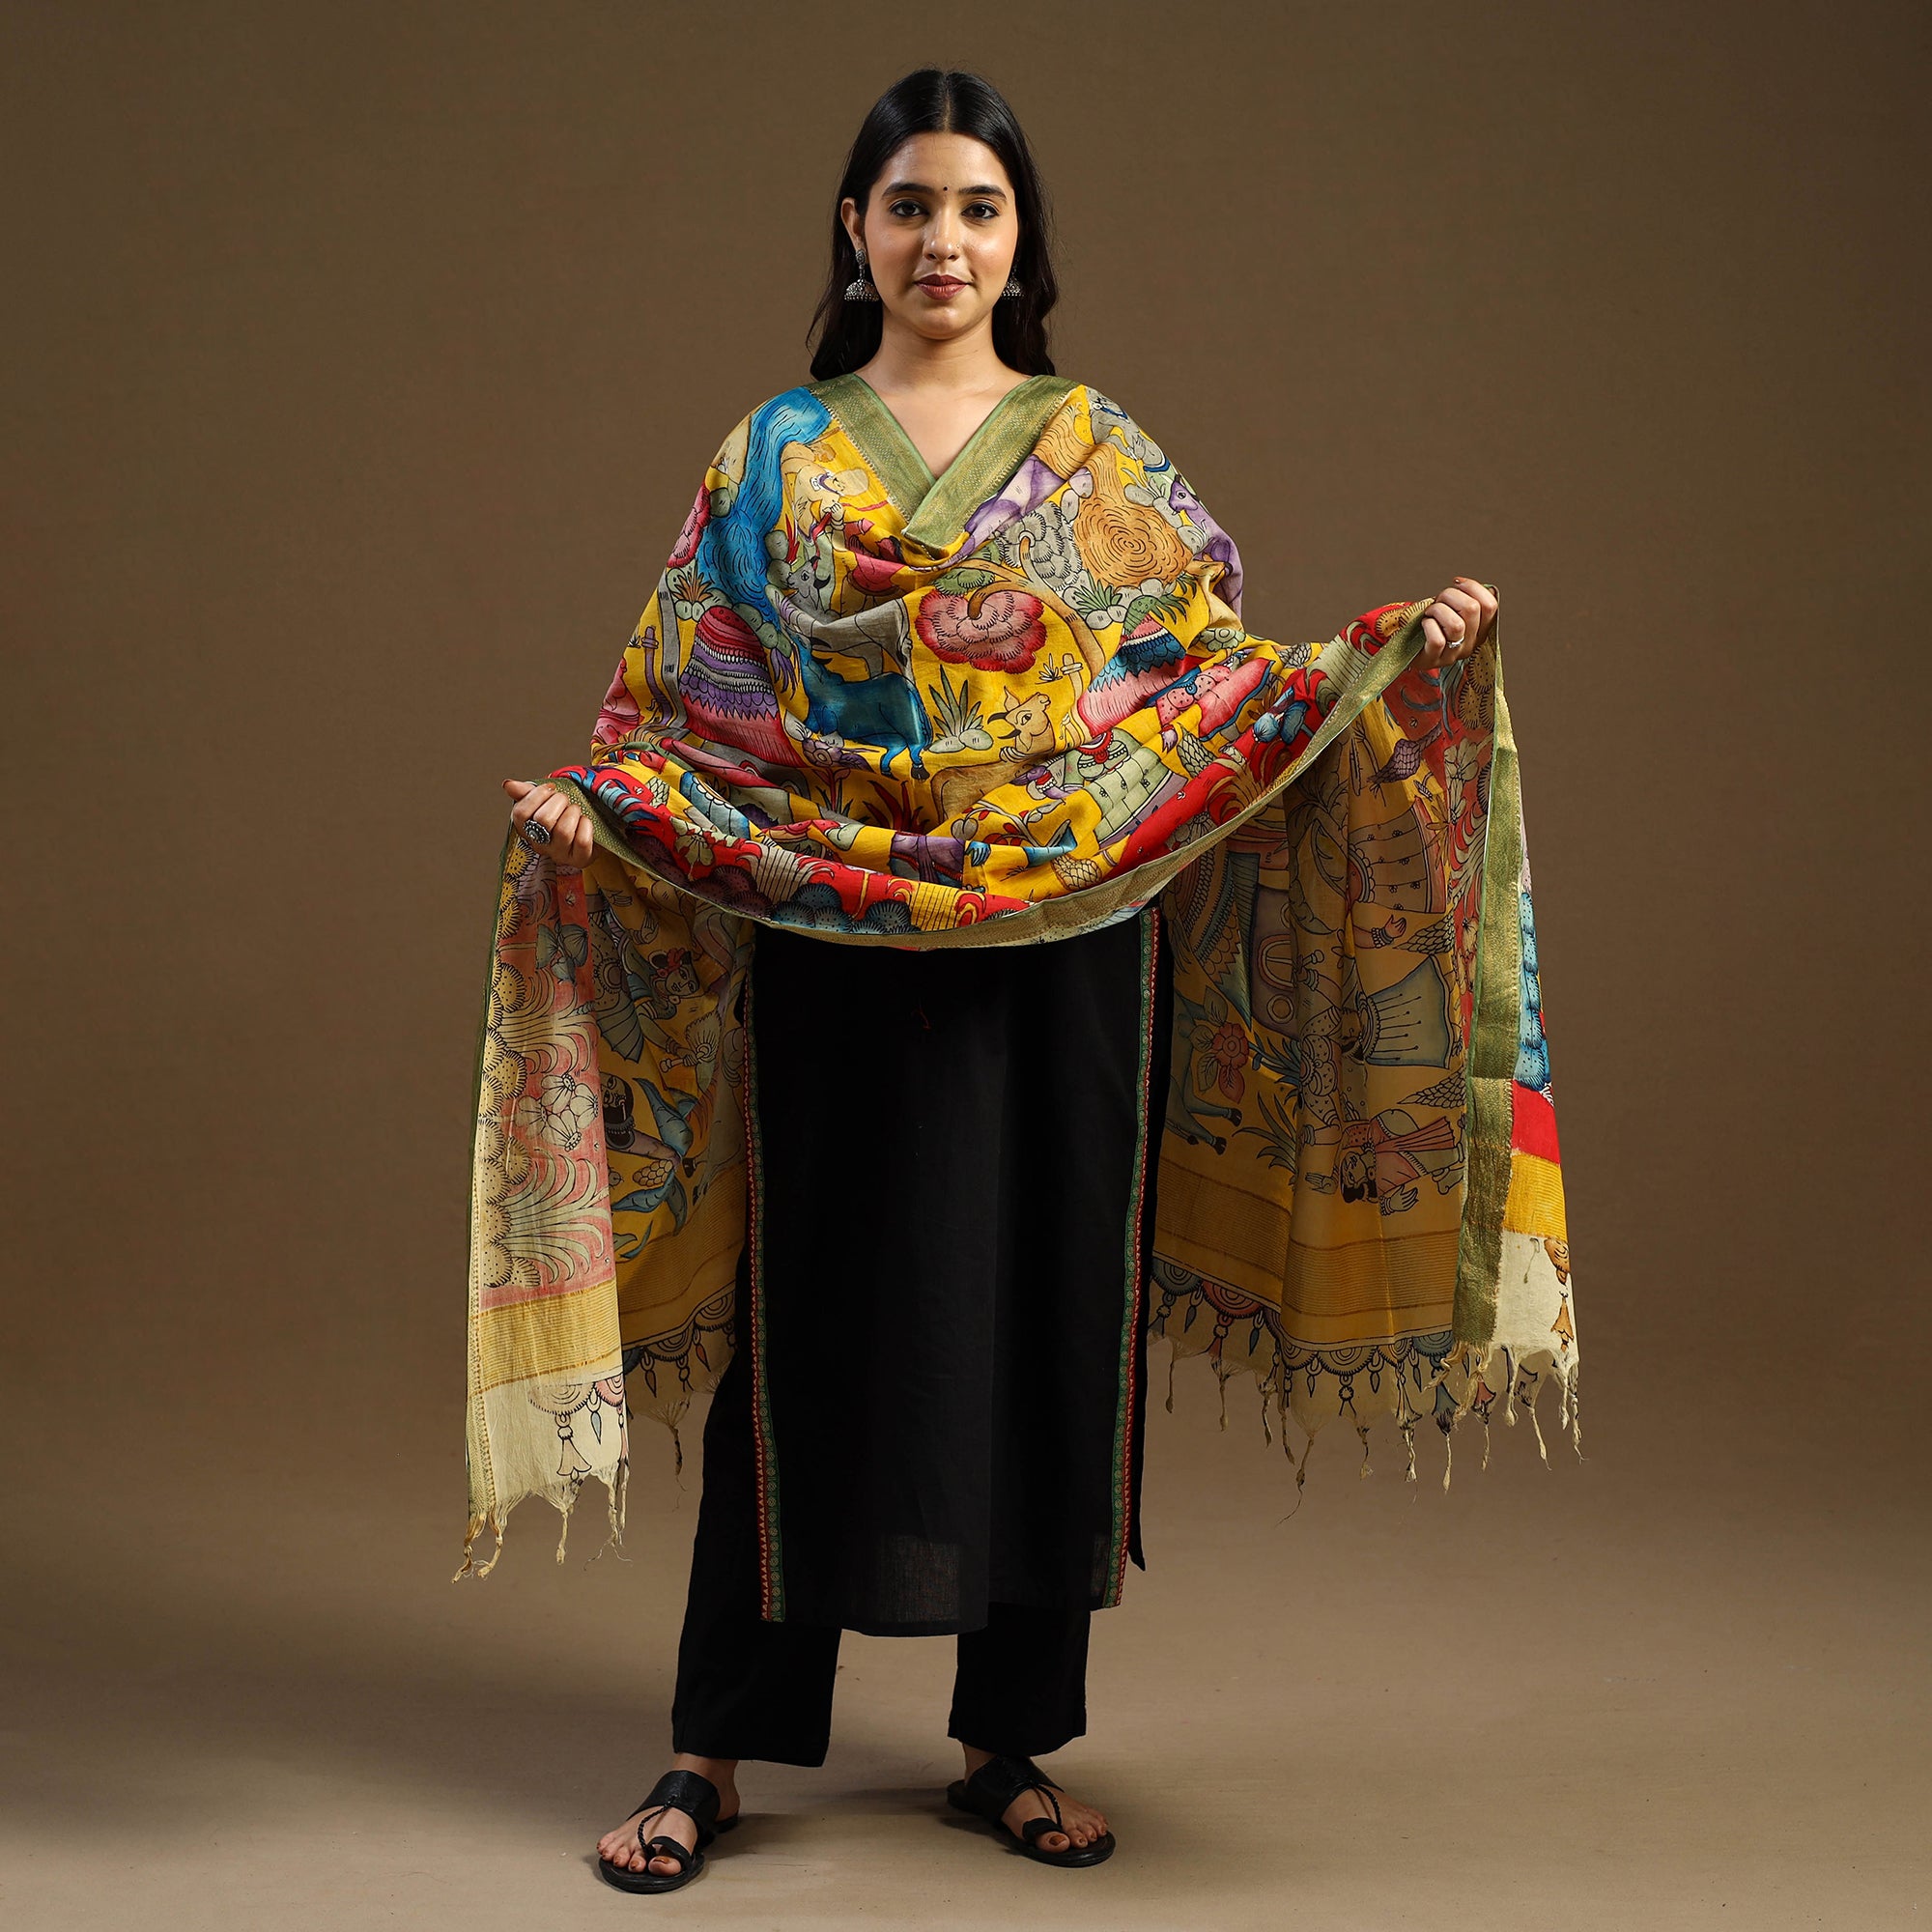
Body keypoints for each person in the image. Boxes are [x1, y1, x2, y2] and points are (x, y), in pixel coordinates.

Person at [469, 67, 1565, 1897]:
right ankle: (708, 1750)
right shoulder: (776, 456)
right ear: (855, 230)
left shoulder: (1098, 453)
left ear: (1019, 237)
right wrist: (614, 807)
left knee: (1056, 1312)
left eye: (978, 209)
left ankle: (1011, 1743)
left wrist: (1381, 658)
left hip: (1074, 928)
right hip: (834, 925)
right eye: (910, 206)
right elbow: (688, 697)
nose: (944, 243)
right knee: (805, 1325)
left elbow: (1197, 682)